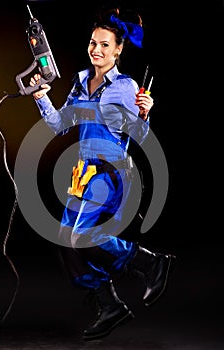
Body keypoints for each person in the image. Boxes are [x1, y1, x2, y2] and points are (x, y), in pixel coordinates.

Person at [29, 5, 175, 341]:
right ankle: (110, 306)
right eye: (93, 43)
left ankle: (150, 263)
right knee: (66, 241)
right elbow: (58, 124)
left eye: (105, 45)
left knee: (80, 237)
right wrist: (40, 96)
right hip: (83, 175)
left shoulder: (124, 87)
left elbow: (137, 136)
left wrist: (145, 113)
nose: (97, 50)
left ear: (118, 49)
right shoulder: (81, 83)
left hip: (110, 175)